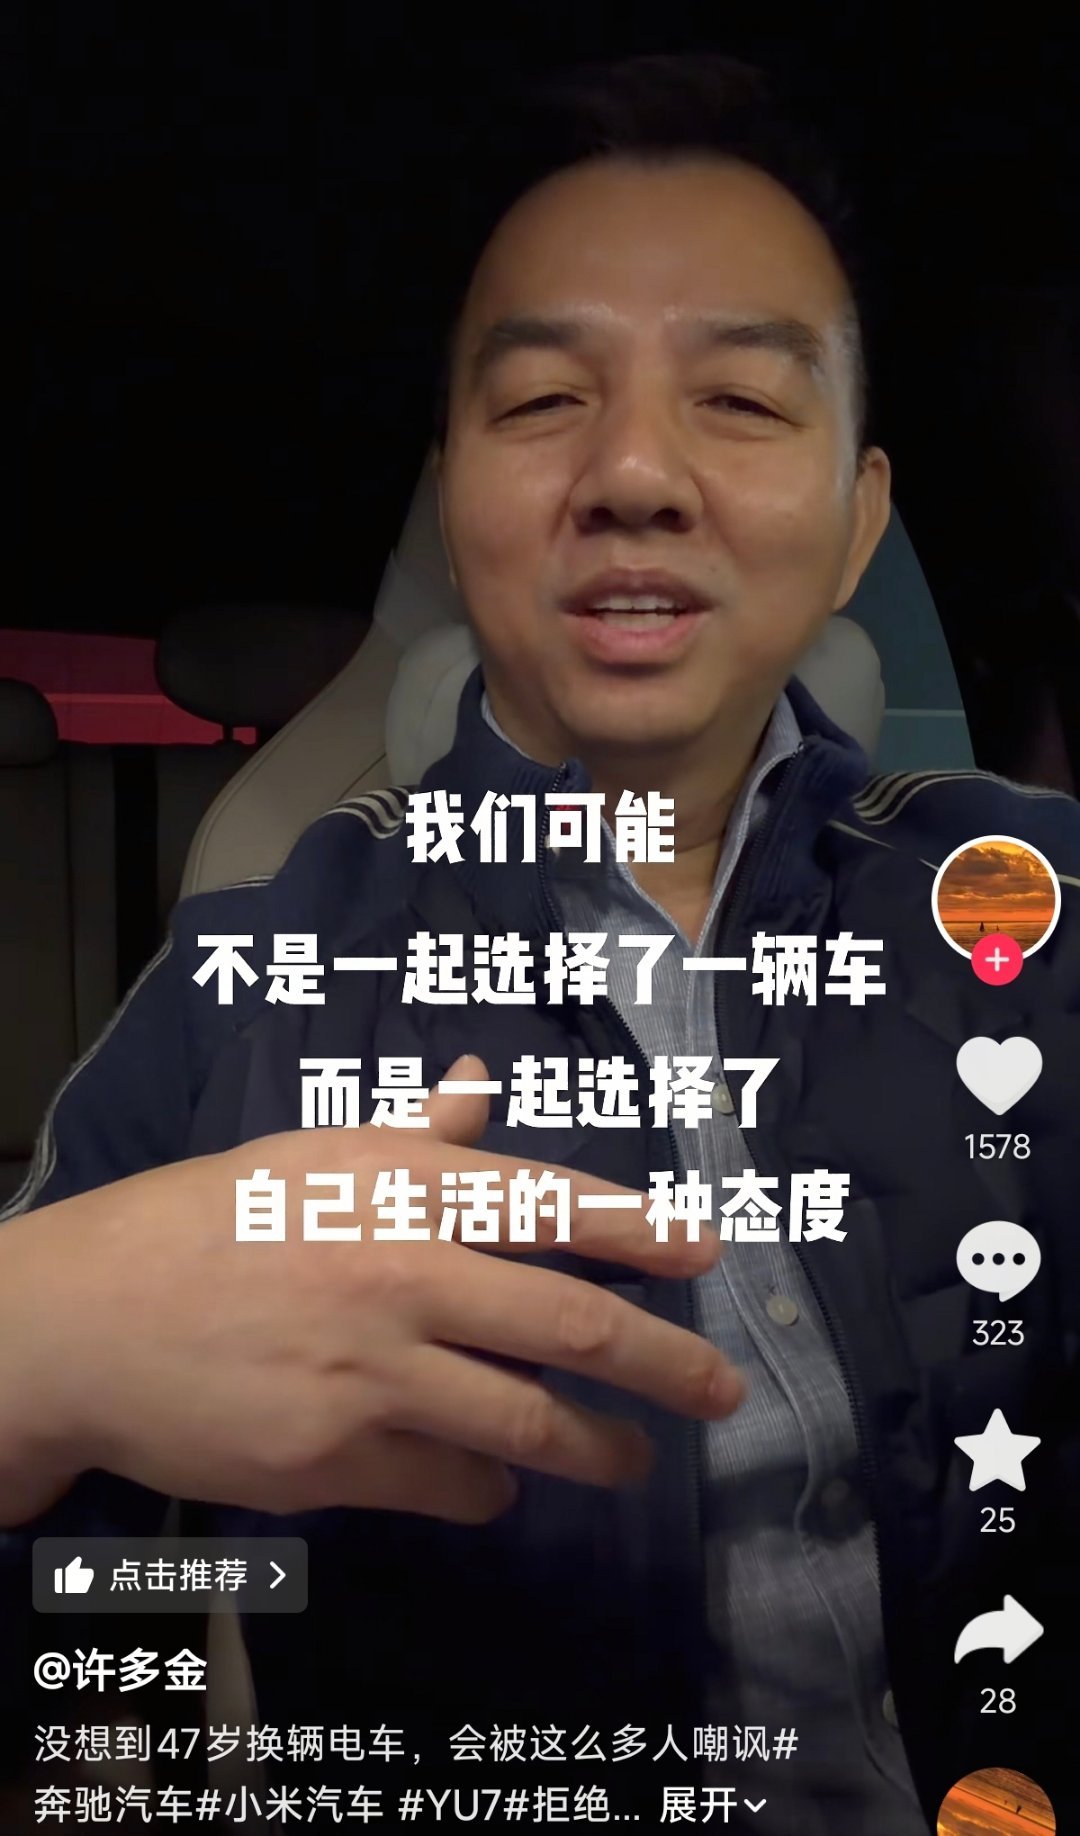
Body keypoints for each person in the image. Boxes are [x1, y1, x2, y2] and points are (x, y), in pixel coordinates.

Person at [2, 53, 1077, 1832]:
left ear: (859, 520)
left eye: (742, 398)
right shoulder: (258, 976)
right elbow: (78, 1638)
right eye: (544, 399)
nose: (635, 471)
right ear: (455, 502)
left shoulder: (1036, 903)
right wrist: (29, 1361)